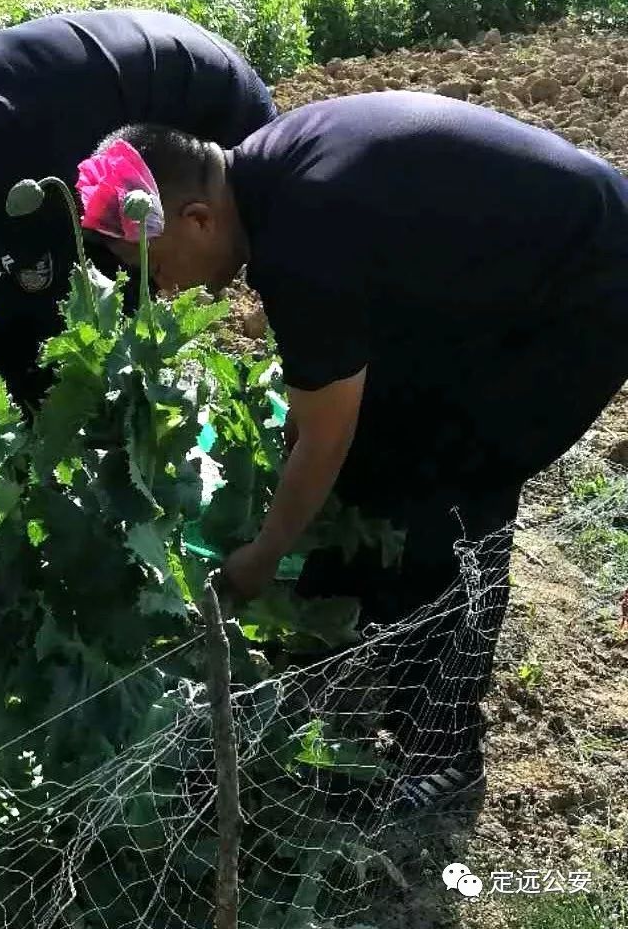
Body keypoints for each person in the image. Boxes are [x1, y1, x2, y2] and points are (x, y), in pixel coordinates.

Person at [81, 91, 628, 799]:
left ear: (198, 218)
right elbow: (332, 403)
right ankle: (341, 631)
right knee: (387, 435)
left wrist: (263, 555)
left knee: (454, 485)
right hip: (503, 274)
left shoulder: (302, 238)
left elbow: (324, 433)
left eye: (152, 265)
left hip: (585, 289)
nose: (158, 286)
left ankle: (443, 749)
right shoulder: (271, 170)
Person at [0, 8, 277, 434]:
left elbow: (53, 294)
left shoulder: (26, 159)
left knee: (230, 252)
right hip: (109, 84)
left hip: (207, 95)